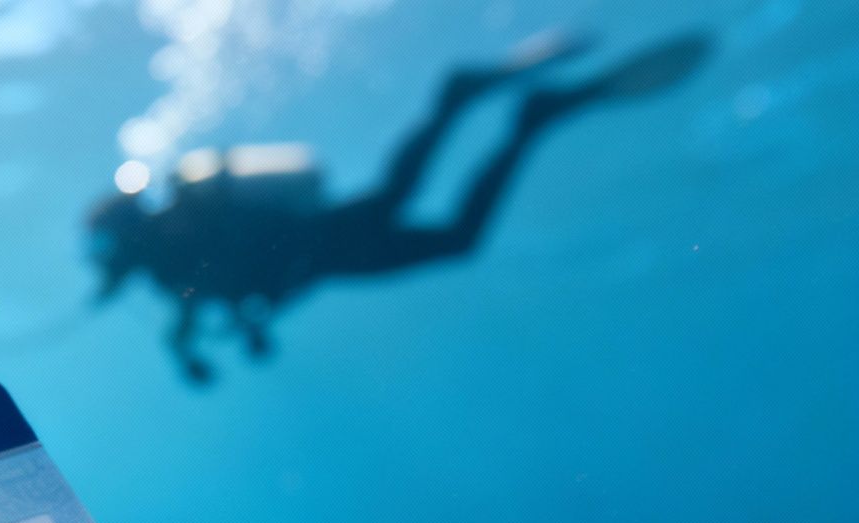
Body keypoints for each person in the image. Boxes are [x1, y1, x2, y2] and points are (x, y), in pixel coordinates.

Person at [87, 30, 714, 385]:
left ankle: (501, 112)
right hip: (323, 244)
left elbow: (194, 307)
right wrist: (204, 343)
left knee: (435, 221)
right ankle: (509, 114)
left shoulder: (170, 259)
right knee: (412, 203)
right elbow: (202, 305)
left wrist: (190, 353)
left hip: (326, 249)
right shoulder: (175, 246)